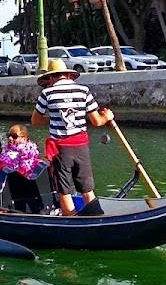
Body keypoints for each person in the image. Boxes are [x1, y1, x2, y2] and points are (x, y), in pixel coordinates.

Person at [30, 58, 113, 216]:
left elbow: (35, 121)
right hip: (81, 147)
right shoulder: (83, 90)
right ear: (68, 75)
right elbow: (96, 121)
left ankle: (71, 220)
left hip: (61, 150)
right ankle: (98, 217)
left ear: (51, 77)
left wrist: (54, 119)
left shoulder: (47, 93)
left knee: (65, 191)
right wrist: (108, 116)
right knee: (87, 190)